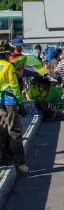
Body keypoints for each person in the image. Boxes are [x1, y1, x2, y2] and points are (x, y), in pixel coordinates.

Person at [0, 41, 28, 174]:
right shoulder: (8, 66)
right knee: (14, 132)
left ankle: (4, 158)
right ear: (6, 54)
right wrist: (21, 104)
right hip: (9, 101)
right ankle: (20, 163)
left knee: (2, 132)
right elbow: (15, 87)